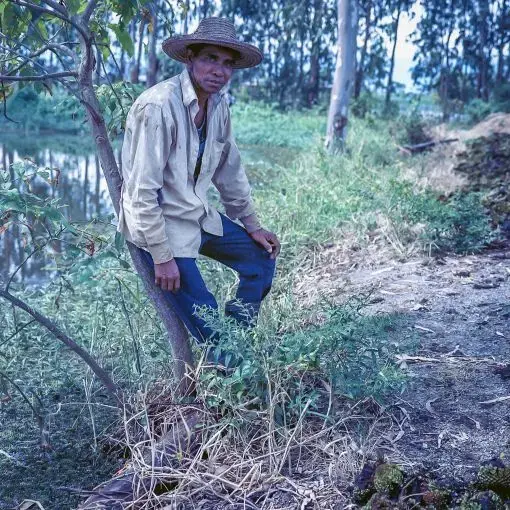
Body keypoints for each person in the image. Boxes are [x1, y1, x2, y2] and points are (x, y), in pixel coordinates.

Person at [117, 17, 281, 367]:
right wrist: (161, 256)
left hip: (194, 214)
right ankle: (230, 368)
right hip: (158, 225)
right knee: (207, 315)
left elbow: (229, 169)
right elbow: (141, 193)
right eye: (210, 58)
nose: (219, 70)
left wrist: (251, 224)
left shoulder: (219, 106)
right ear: (189, 58)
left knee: (260, 260)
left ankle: (233, 350)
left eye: (226, 63)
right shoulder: (158, 106)